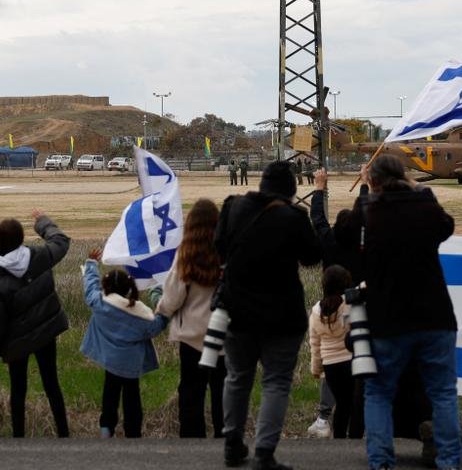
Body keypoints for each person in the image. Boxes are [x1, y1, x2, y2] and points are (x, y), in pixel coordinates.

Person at [215, 160, 321, 470]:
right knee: (275, 382)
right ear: (290, 190)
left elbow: (219, 248)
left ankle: (232, 444)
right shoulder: (293, 217)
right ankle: (264, 453)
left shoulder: (232, 207)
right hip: (282, 315)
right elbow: (313, 256)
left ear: (261, 184)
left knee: (236, 377)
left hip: (236, 311)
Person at [360, 154, 462, 470]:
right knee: (443, 393)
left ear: (373, 181)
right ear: (404, 177)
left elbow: (346, 238)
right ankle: (449, 460)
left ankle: (381, 461)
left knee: (378, 393)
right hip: (434, 314)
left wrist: (367, 191)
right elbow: (447, 226)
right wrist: (419, 188)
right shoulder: (425, 207)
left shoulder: (368, 211)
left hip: (387, 318)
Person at [0, 209, 72, 438]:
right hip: (45, 332)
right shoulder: (38, 256)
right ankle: (63, 432)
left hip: (16, 340)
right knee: (52, 384)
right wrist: (42, 223)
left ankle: (18, 436)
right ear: (21, 238)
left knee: (18, 389)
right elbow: (61, 241)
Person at [155, 198, 227, 438]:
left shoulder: (185, 253)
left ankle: (192, 443)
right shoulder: (228, 253)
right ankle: (225, 439)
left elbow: (173, 296)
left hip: (192, 337)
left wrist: (161, 310)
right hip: (225, 336)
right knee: (223, 393)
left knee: (191, 393)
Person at [81, 250, 170, 438]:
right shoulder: (140, 314)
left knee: (109, 396)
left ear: (105, 287)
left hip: (110, 362)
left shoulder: (99, 302)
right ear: (129, 288)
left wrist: (91, 264)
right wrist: (164, 310)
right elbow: (156, 327)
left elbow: (90, 288)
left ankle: (106, 430)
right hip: (131, 365)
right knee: (132, 401)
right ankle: (133, 434)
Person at [309, 264, 363, 439]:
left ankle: (338, 440)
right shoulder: (350, 303)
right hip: (351, 361)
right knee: (356, 405)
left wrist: (316, 369)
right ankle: (355, 439)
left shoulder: (316, 311)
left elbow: (315, 345)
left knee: (341, 404)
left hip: (330, 366)